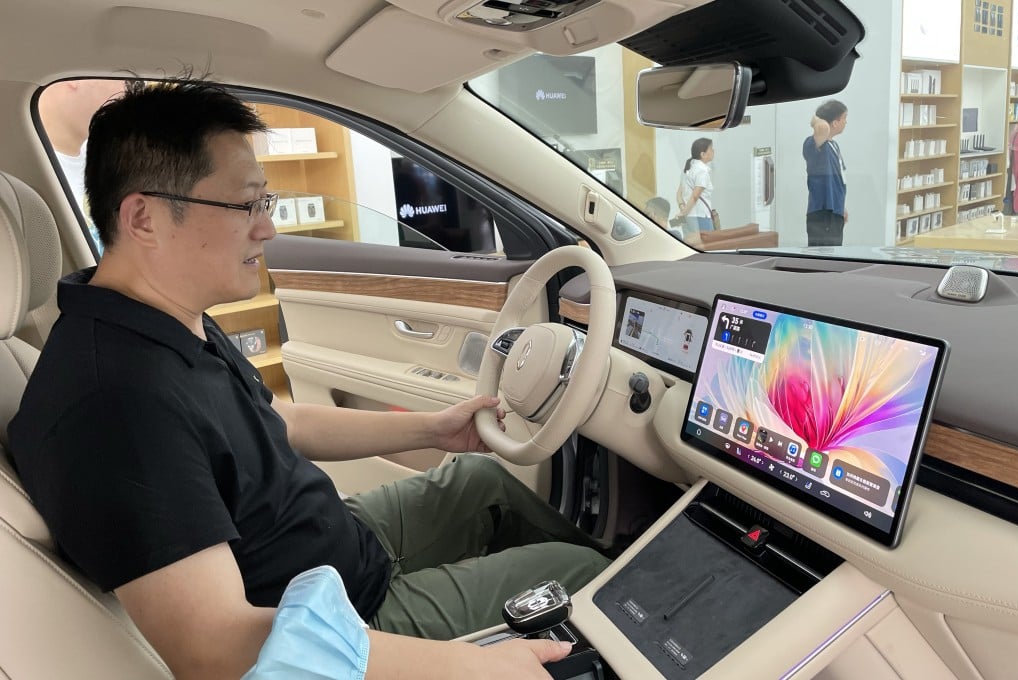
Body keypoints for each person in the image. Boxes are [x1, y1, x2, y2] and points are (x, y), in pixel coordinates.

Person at [9, 79, 610, 679]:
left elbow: (278, 421)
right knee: (582, 577)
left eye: (264, 204)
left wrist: (433, 429)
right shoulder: (115, 405)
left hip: (337, 549)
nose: (266, 228)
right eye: (245, 205)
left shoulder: (161, 318)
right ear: (143, 217)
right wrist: (477, 668)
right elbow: (216, 648)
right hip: (347, 623)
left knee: (482, 479)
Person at [36, 78, 126, 255]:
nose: (129, 90)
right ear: (75, 79)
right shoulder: (29, 168)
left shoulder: (112, 155)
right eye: (127, 79)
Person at [803, 100, 849, 246]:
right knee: (823, 258)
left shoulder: (833, 145)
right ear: (835, 123)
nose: (846, 122)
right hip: (822, 212)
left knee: (835, 255)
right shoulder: (815, 145)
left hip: (834, 211)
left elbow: (839, 181)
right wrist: (816, 118)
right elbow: (822, 127)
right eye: (844, 118)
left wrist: (841, 207)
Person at [674, 138, 715, 237]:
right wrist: (684, 213)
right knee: (706, 247)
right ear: (703, 154)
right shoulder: (702, 172)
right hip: (700, 217)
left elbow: (679, 194)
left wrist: (683, 210)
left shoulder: (688, 168)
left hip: (687, 218)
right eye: (711, 149)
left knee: (689, 243)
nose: (713, 151)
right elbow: (695, 196)